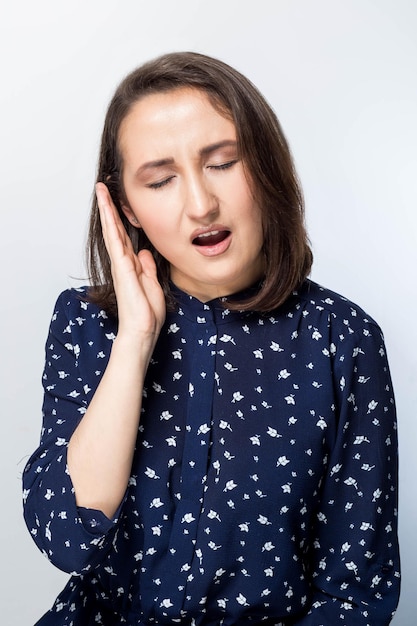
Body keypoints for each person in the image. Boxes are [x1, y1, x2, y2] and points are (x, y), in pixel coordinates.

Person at [22, 51, 400, 626]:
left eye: (222, 163)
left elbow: (354, 594)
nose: (201, 204)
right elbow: (66, 538)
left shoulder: (343, 340)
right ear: (127, 206)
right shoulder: (86, 323)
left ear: (266, 167)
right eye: (160, 179)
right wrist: (135, 341)